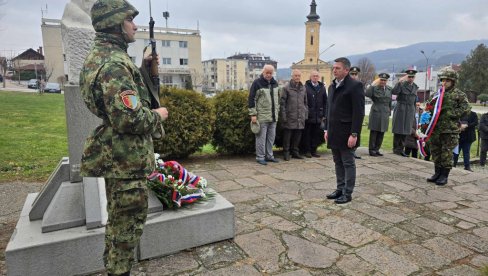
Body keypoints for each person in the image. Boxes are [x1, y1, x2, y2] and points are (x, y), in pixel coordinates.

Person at [80, 1, 169, 275]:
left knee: (120, 222)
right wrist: (159, 115)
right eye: (131, 20)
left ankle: (116, 269)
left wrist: (143, 69)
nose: (136, 25)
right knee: (126, 228)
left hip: (121, 158)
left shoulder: (105, 57)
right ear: (117, 23)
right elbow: (128, 118)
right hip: (126, 162)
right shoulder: (114, 64)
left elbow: (121, 99)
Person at [324, 57, 365, 204]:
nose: (334, 70)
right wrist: (326, 129)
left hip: (347, 133)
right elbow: (329, 109)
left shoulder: (355, 86)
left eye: (338, 68)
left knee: (348, 162)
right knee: (337, 162)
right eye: (333, 68)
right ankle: (340, 189)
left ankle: (347, 193)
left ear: (346, 70)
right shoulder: (332, 86)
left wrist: (354, 134)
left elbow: (358, 112)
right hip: (334, 131)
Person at [426, 67, 470, 185]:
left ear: (453, 81)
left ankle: (444, 176)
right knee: (436, 151)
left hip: (449, 129)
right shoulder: (437, 94)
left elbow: (466, 108)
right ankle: (437, 173)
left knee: (446, 153)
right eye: (443, 80)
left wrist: (451, 113)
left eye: (447, 80)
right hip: (436, 129)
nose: (444, 83)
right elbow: (429, 106)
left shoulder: (459, 94)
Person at [248, 64, 280, 165]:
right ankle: (260, 157)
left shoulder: (275, 83)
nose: (269, 75)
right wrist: (253, 114)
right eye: (267, 73)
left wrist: (277, 111)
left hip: (273, 116)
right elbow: (251, 99)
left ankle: (270, 156)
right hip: (262, 116)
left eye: (271, 73)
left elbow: (278, 99)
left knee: (271, 138)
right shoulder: (257, 83)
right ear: (263, 72)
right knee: (261, 138)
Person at [280, 69, 308, 161]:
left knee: (298, 135)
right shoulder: (286, 88)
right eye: (295, 75)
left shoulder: (303, 88)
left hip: (300, 116)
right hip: (289, 116)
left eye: (299, 76)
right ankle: (286, 153)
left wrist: (305, 114)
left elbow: (305, 103)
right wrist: (283, 116)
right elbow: (282, 103)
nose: (297, 77)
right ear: (292, 76)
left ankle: (295, 152)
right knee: (287, 136)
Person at [391, 69, 419, 157]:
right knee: (398, 129)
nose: (411, 78)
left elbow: (414, 100)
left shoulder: (415, 87)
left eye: (412, 77)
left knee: (406, 130)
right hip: (401, 109)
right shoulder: (402, 84)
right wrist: (399, 82)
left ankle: (401, 149)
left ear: (414, 77)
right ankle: (396, 149)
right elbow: (394, 92)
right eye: (409, 76)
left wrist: (414, 111)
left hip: (410, 110)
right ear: (407, 76)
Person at [301, 70, 327, 158]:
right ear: (310, 77)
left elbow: (325, 102)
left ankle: (313, 150)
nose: (315, 77)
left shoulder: (322, 87)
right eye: (314, 76)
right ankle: (307, 151)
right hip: (309, 115)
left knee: (316, 134)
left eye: (317, 76)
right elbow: (303, 101)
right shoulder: (306, 87)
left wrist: (324, 114)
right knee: (307, 134)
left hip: (318, 116)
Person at [365, 73, 392, 156]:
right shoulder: (374, 88)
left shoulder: (389, 89)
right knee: (374, 131)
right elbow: (367, 94)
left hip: (385, 112)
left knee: (382, 131)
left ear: (386, 81)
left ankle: (377, 149)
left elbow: (389, 101)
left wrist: (389, 111)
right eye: (381, 80)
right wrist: (372, 84)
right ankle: (372, 150)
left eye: (384, 80)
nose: (383, 81)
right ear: (379, 80)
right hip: (376, 111)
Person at [348, 66, 363, 159]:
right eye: (352, 74)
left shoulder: (359, 85)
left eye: (355, 74)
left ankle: (354, 150)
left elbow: (361, 102)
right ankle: (349, 151)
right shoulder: (346, 85)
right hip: (348, 114)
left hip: (357, 113)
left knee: (357, 132)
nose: (353, 76)